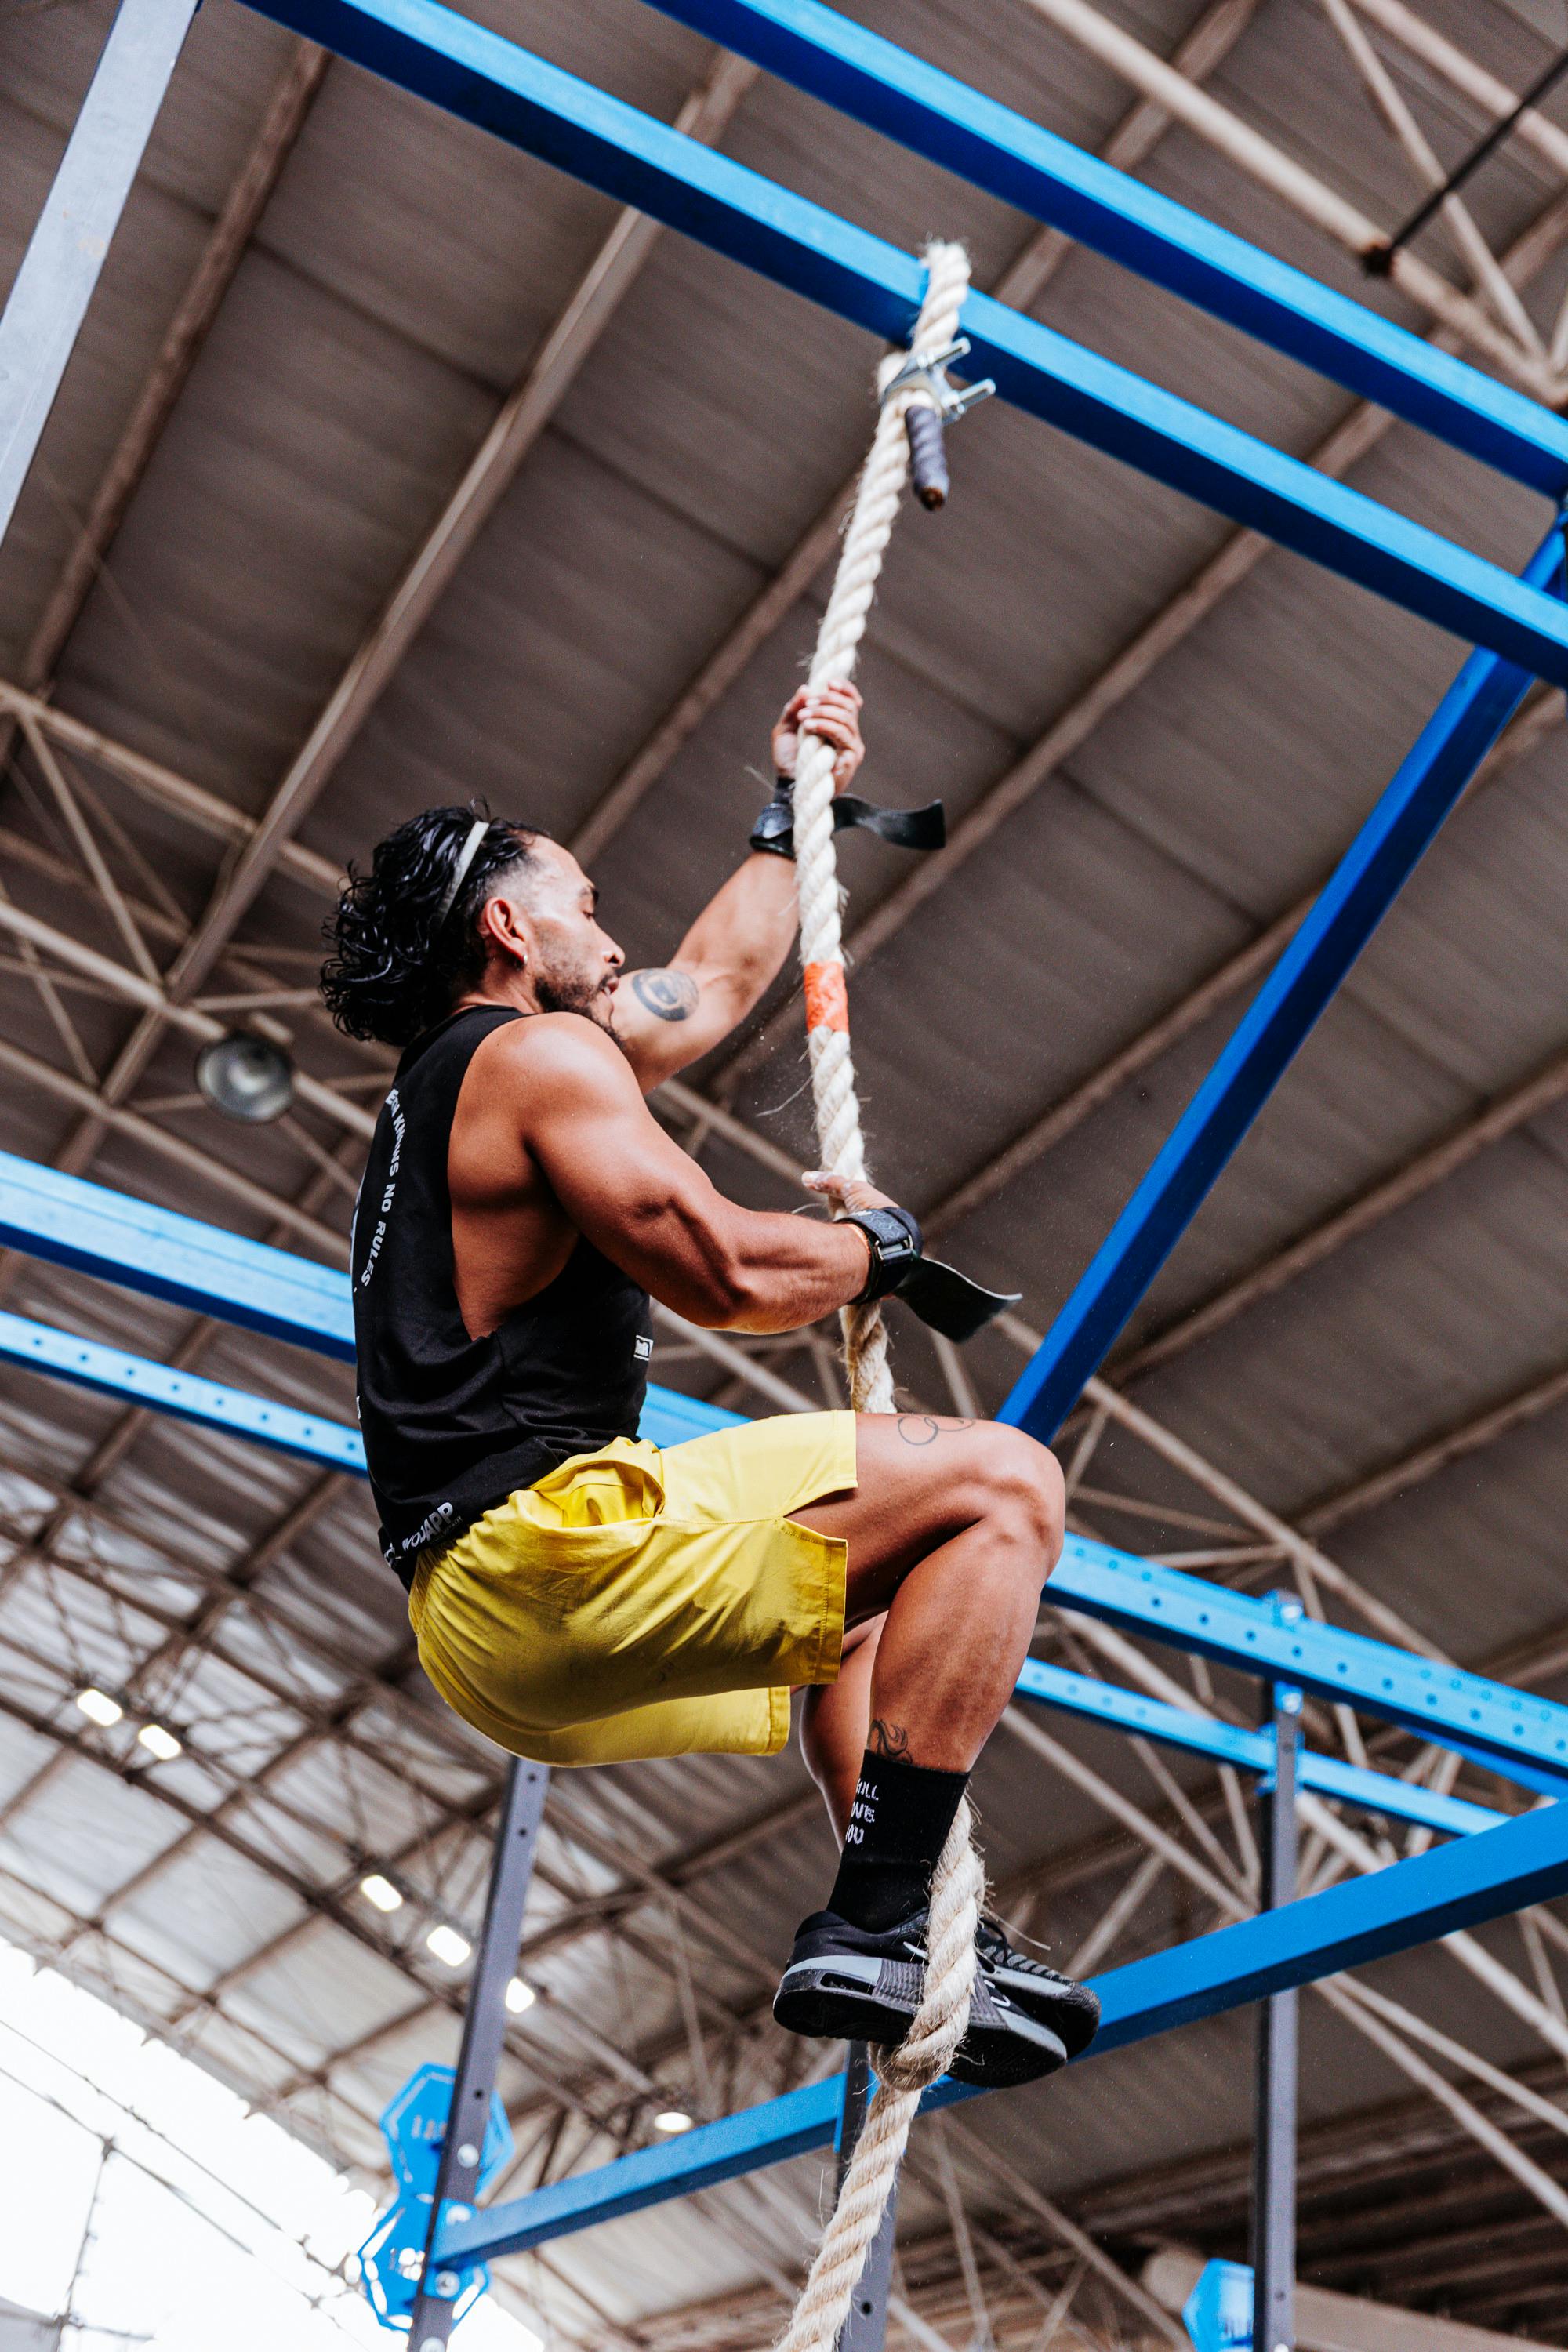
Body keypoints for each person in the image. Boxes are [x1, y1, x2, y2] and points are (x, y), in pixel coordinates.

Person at [321, 683, 1099, 2085]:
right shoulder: (540, 1057)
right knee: (1003, 1482)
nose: (611, 935)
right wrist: (869, 1248)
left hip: (491, 1609)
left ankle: (916, 1922)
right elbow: (727, 1272)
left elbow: (718, 983)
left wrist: (793, 807)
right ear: (509, 928)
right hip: (542, 1560)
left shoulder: (491, 1074)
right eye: (583, 901)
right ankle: (874, 1923)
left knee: (882, 1593)